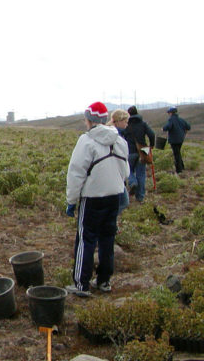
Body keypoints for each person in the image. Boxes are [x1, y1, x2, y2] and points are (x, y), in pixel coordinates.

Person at [65, 102, 129, 297]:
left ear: (90, 120)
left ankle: (81, 284)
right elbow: (125, 171)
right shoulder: (120, 141)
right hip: (114, 197)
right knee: (107, 239)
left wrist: (71, 201)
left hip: (92, 198)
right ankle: (104, 281)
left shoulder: (86, 141)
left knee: (86, 239)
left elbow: (76, 173)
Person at [123, 106, 155, 203]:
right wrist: (151, 145)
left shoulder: (126, 125)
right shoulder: (143, 124)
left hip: (130, 151)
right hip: (143, 150)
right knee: (141, 174)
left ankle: (133, 182)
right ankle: (140, 197)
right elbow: (152, 134)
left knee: (128, 171)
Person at [107, 109, 130, 215]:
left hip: (114, 175)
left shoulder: (111, 133)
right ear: (119, 121)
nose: (127, 124)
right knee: (124, 202)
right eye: (125, 121)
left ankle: (110, 222)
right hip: (115, 176)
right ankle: (109, 221)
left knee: (120, 202)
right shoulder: (114, 136)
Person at [162, 107, 191, 174]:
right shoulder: (181, 119)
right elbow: (188, 127)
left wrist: (163, 128)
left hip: (174, 140)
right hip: (181, 139)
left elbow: (168, 127)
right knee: (178, 152)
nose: (168, 114)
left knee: (176, 154)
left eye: (168, 113)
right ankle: (182, 166)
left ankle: (179, 170)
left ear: (171, 113)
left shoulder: (171, 120)